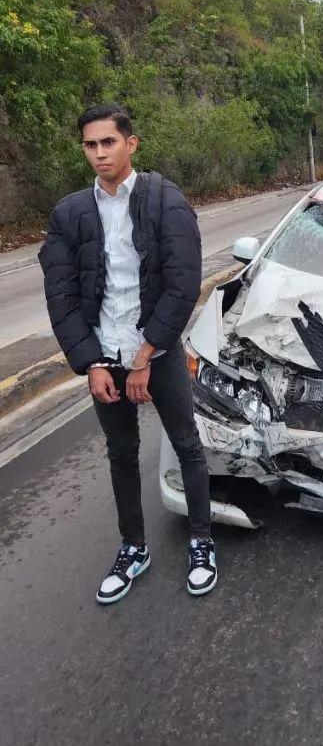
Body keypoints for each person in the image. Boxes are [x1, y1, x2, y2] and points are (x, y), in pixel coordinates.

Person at [38, 104, 217, 604]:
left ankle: (201, 540)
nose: (99, 153)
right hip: (104, 356)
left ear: (131, 143)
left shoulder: (166, 201)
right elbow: (62, 296)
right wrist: (92, 363)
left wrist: (145, 356)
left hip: (155, 352)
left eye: (108, 142)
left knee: (187, 444)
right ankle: (133, 547)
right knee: (120, 454)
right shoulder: (70, 213)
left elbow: (183, 285)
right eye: (90, 145)